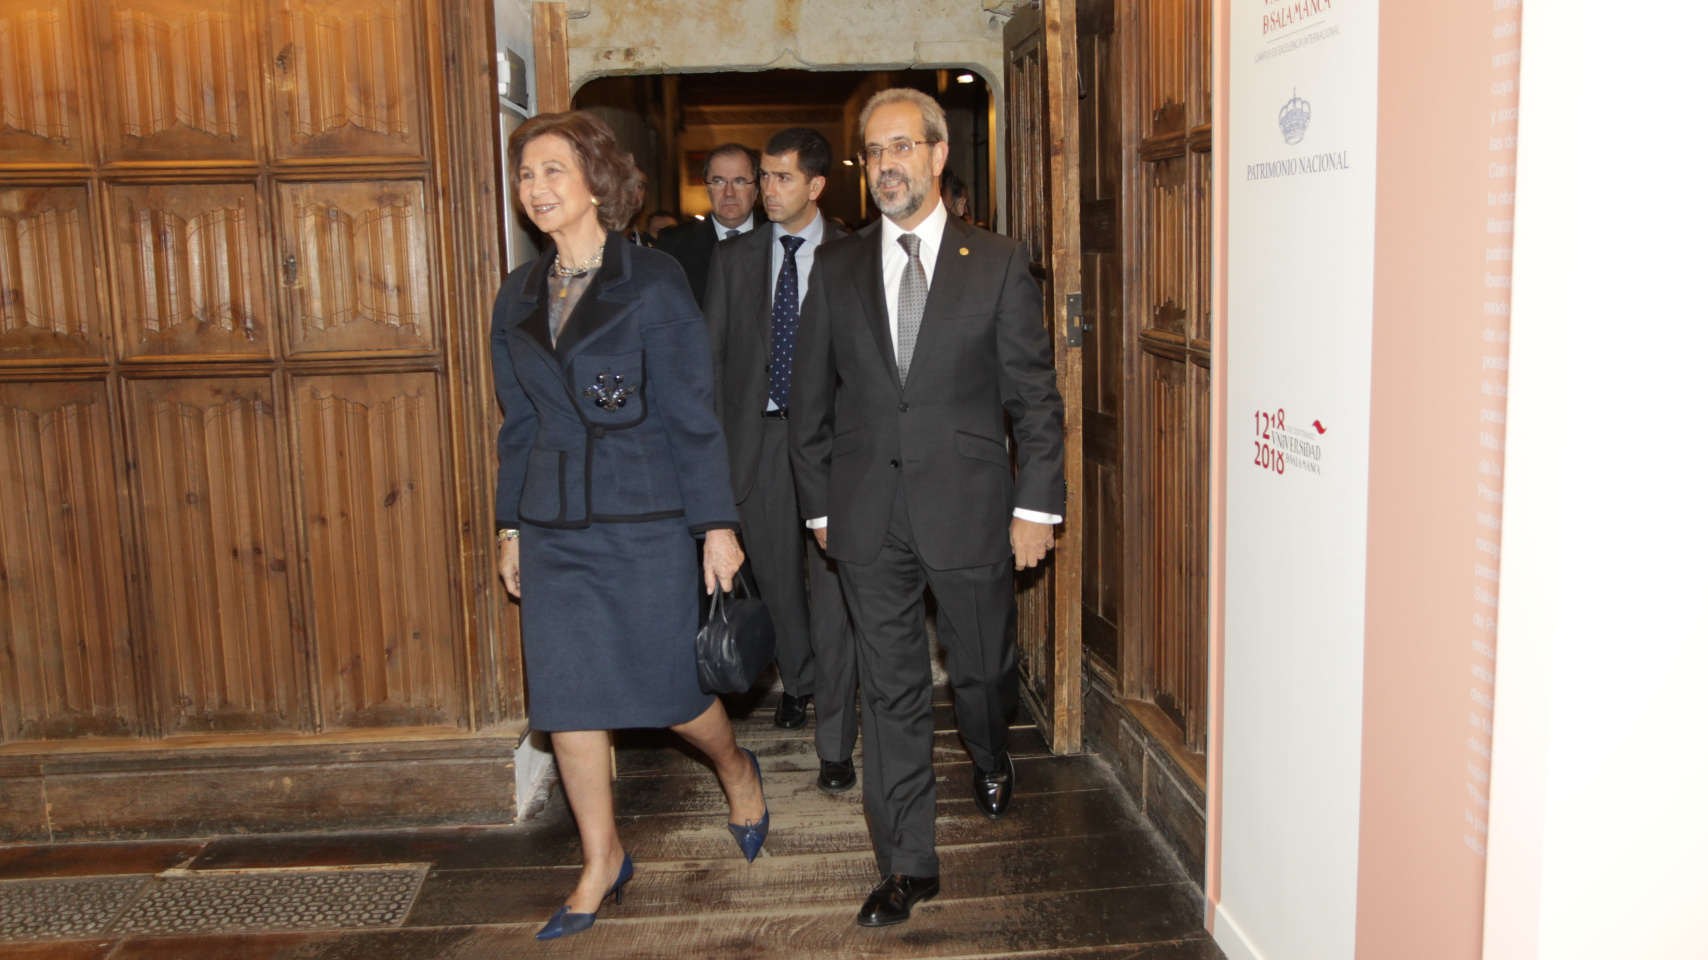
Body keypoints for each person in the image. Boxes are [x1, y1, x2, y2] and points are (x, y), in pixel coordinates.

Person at [788, 88, 1065, 927]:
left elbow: (1036, 403)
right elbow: (808, 408)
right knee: (892, 690)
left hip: (974, 508)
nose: (885, 166)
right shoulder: (835, 267)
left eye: (901, 147)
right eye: (872, 152)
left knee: (980, 670)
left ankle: (989, 749)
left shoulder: (1000, 261)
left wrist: (1037, 508)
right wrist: (818, 509)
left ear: (939, 155)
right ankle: (907, 865)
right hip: (868, 516)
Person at [491, 111, 770, 941]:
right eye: (526, 175)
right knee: (568, 700)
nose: (535, 189)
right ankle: (601, 859)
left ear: (594, 182)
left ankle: (736, 767)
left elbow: (692, 412)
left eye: (551, 171)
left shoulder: (652, 281)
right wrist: (510, 527)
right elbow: (518, 425)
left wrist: (716, 523)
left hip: (644, 519)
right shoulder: (514, 295)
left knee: (672, 692)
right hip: (553, 525)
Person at [702, 127, 857, 791]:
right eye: (762, 177)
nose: (765, 190)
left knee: (834, 591)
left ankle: (836, 742)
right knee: (775, 582)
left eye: (780, 178)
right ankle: (799, 678)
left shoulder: (854, 254)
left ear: (816, 186)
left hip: (831, 445)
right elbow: (710, 367)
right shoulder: (736, 261)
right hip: (757, 443)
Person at [655, 143, 767, 305]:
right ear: (706, 188)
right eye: (719, 181)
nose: (729, 193)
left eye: (740, 181)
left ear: (756, 189)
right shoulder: (674, 245)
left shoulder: (779, 238)